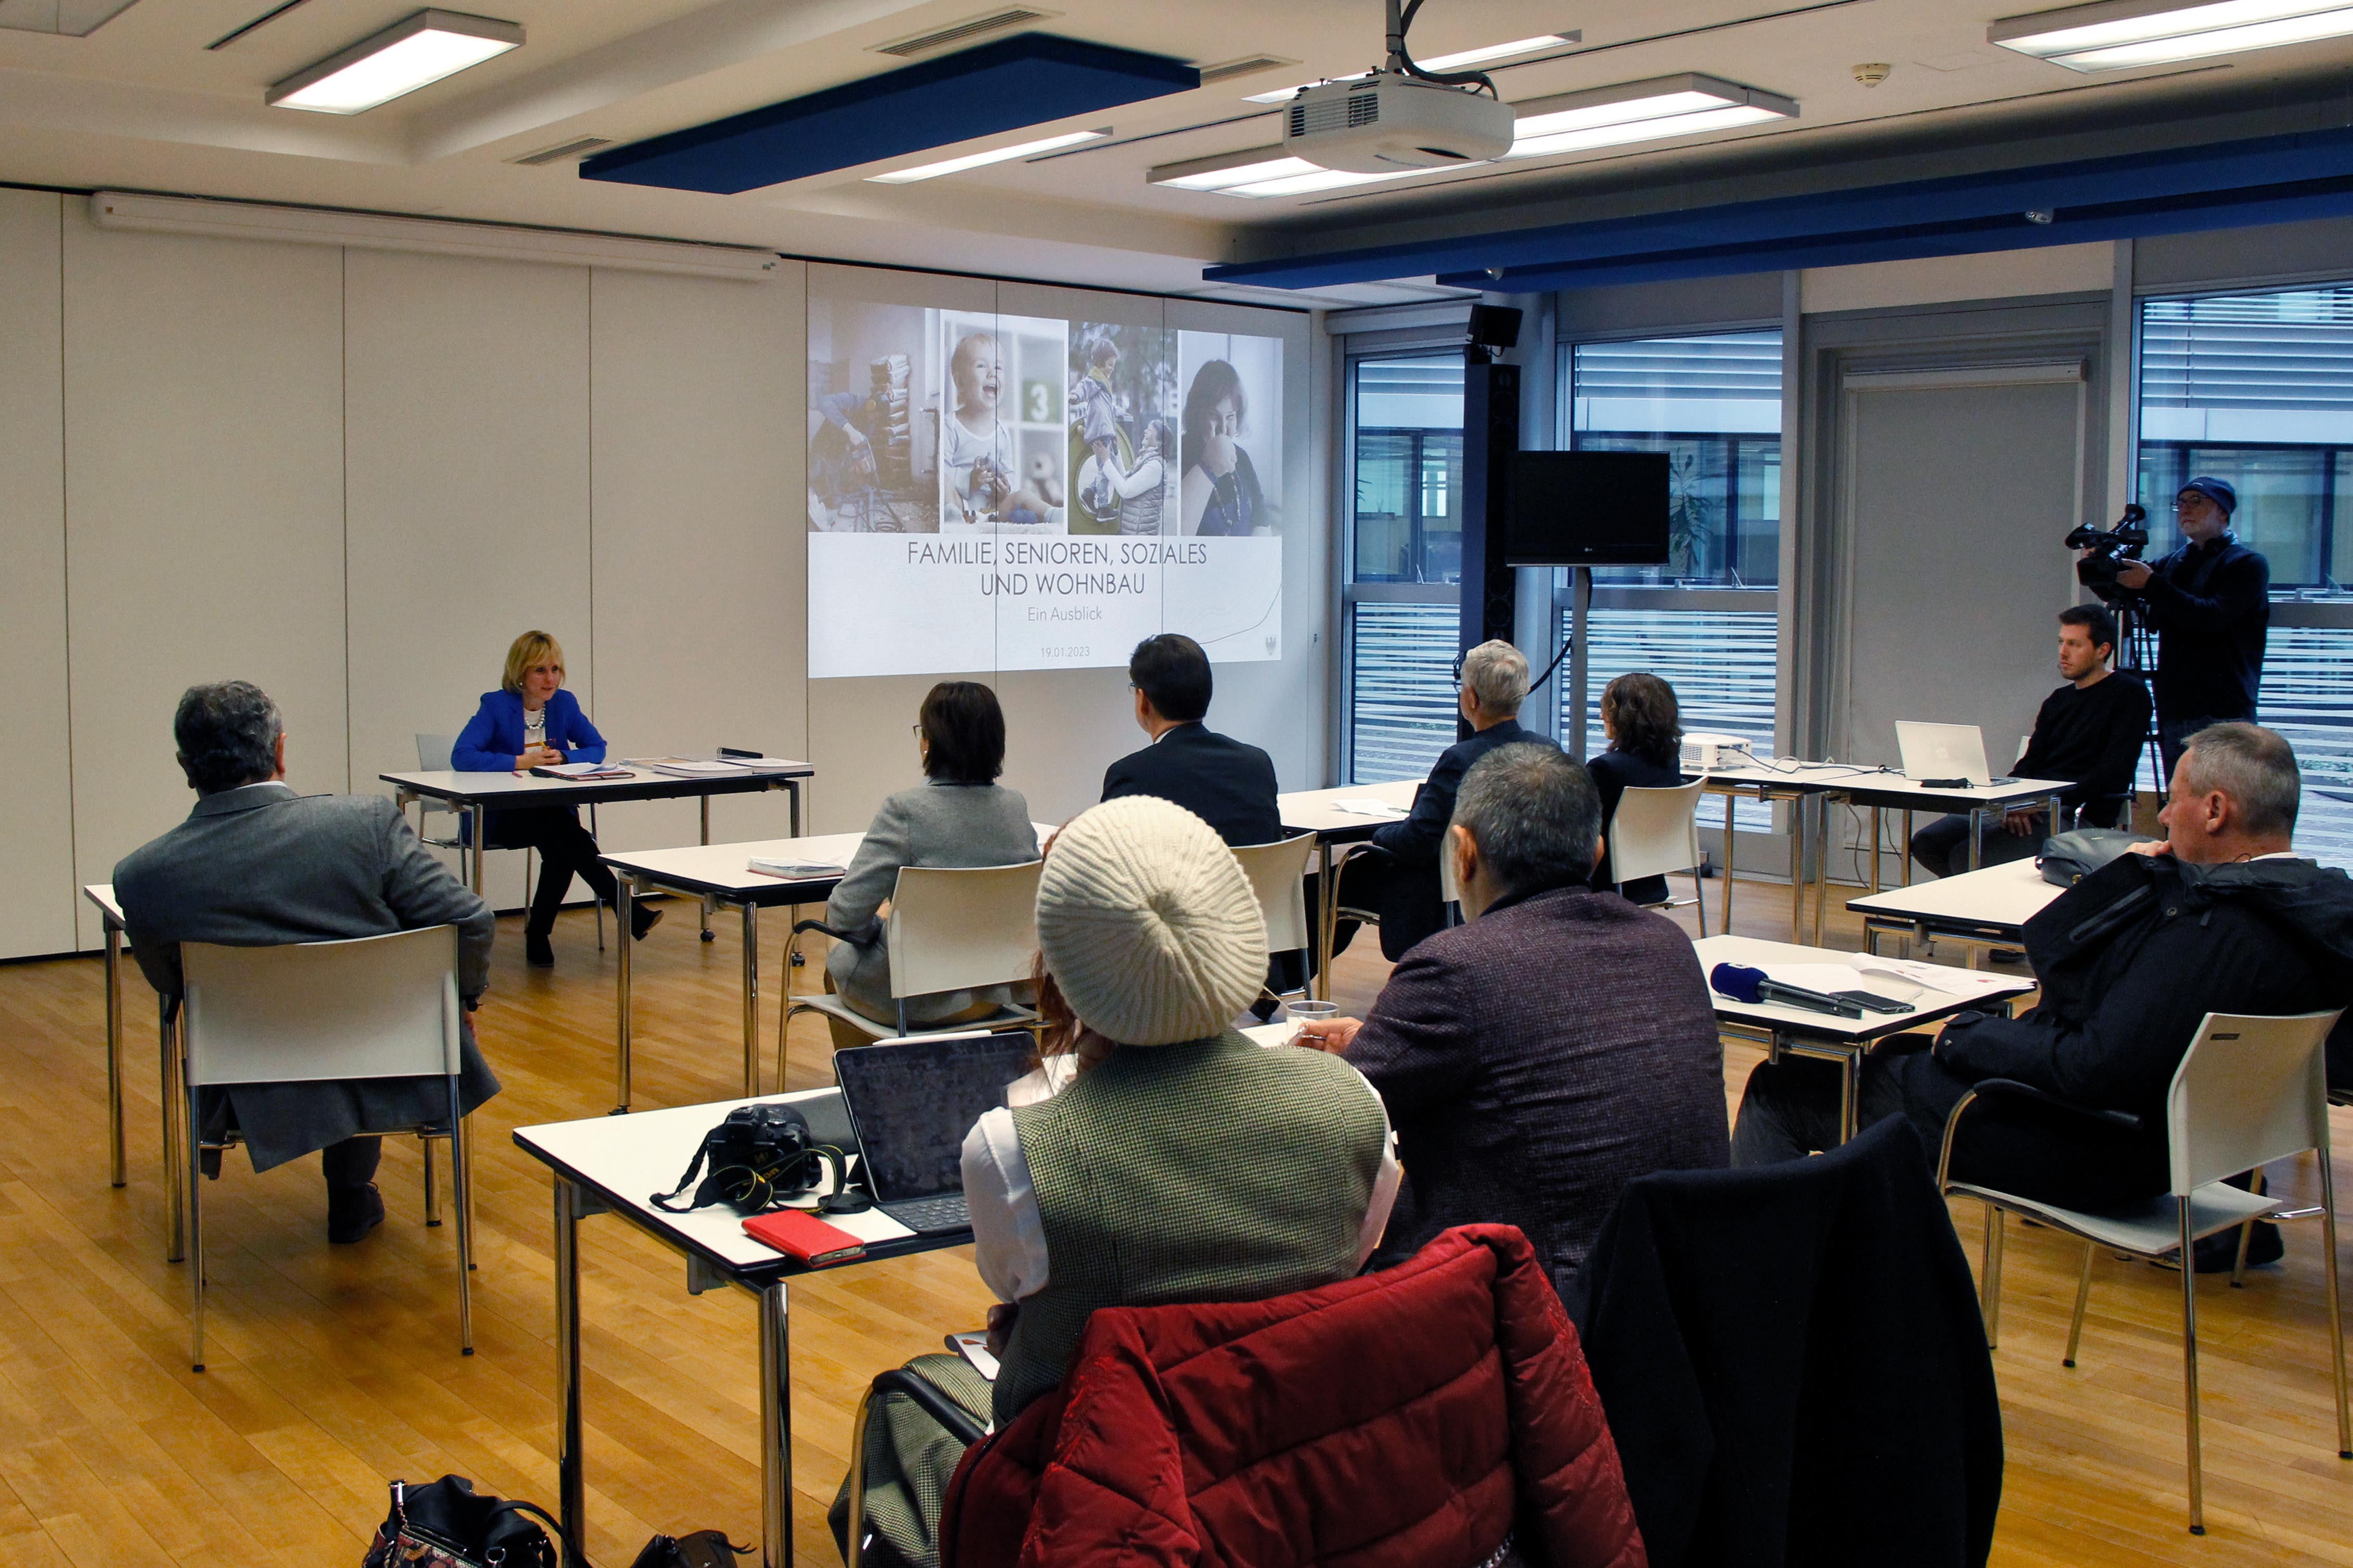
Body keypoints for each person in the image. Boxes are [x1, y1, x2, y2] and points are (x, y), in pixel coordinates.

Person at [834, 795, 1399, 1563]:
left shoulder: (1016, 1151)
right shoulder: (1353, 1105)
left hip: (1083, 1496)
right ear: (1237, 928)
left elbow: (1014, 1299)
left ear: (1058, 963)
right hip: (1289, 1483)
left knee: (908, 1399)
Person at [1733, 724, 2353, 1270]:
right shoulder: (2320, 915)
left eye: (2173, 801)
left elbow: (2089, 1063)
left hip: (2094, 1151)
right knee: (1895, 1057)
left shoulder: (2211, 930)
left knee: (1787, 1083)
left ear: (2214, 810)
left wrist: (1967, 1035)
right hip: (2189, 1151)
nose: (2161, 817)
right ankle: (1874, 1268)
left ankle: (1753, 1276)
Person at [1297, 743, 1727, 1296]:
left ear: (1463, 854)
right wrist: (1378, 1040)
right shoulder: (1668, 945)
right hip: (1674, 1291)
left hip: (1521, 1309)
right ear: (1597, 853)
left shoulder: (1455, 967)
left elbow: (1337, 1114)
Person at [113, 681, 500, 1245]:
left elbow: (169, 983)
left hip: (246, 1071)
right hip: (390, 1057)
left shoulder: (144, 876)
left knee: (301, 1013)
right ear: (280, 751)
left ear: (185, 765)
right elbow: (470, 922)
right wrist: (461, 999)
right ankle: (349, 1192)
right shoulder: (365, 826)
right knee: (353, 997)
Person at [821, 681, 1039, 1047]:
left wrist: (883, 930)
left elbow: (844, 917)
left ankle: (862, 1088)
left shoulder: (904, 810)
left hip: (913, 1002)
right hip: (995, 997)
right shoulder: (1014, 807)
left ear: (930, 741)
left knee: (836, 959)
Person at [1338, 639, 1556, 961]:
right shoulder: (1548, 751)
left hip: (1453, 890)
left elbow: (1419, 840)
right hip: (1528, 886)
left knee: (1339, 880)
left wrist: (1382, 833)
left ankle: (1279, 984)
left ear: (1471, 699)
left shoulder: (1460, 759)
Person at [452, 630, 659, 968]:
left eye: (555, 670)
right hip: (499, 816)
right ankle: (624, 910)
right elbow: (462, 755)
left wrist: (564, 757)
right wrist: (519, 762)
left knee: (562, 842)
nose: (550, 679)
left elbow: (596, 748)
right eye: (540, 671)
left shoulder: (564, 704)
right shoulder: (495, 704)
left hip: (549, 814)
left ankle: (540, 934)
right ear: (520, 673)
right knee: (568, 834)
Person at [1910, 603, 2154, 878]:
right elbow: (2030, 761)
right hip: (2031, 805)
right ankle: (1970, 914)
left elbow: (2112, 772)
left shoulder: (2129, 695)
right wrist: (2013, 802)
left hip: (2072, 811)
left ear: (2103, 650)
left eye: (2074, 644)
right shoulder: (2058, 701)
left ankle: (1970, 916)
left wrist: (2039, 804)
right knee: (1927, 843)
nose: (2063, 652)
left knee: (1964, 857)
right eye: (2061, 642)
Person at [2110, 476, 2269, 776]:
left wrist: (2152, 584)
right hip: (2176, 708)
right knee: (2182, 803)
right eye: (2180, 503)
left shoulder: (2248, 565)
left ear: (2223, 512)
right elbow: (2122, 590)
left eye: (2197, 501)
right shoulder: (2175, 562)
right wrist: (2103, 566)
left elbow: (2211, 617)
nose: (2185, 509)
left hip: (2225, 711)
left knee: (2225, 800)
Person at [1100, 632, 1282, 847]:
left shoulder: (1131, 775)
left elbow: (1108, 864)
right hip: (1251, 881)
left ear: (1143, 701)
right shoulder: (1257, 763)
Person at [1587, 672, 1687, 906]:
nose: (1602, 715)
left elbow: (1584, 832)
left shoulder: (1604, 768)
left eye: (1608, 709)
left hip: (1604, 884)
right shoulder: (1671, 763)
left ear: (1625, 717)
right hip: (1650, 882)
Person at [1179, 359, 1268, 537]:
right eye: (1213, 416)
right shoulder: (1181, 452)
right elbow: (1177, 535)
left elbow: (1262, 523)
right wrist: (1208, 468)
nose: (1223, 429)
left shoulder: (1242, 458)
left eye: (1230, 417)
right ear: (1198, 414)